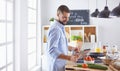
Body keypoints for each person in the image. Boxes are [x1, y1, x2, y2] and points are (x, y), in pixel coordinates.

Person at [45, 5, 81, 71]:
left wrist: (72, 48)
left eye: (68, 17)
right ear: (58, 15)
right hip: (55, 67)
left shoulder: (61, 27)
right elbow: (52, 50)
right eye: (64, 17)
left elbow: (62, 44)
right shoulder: (55, 29)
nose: (66, 20)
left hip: (61, 65)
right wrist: (69, 58)